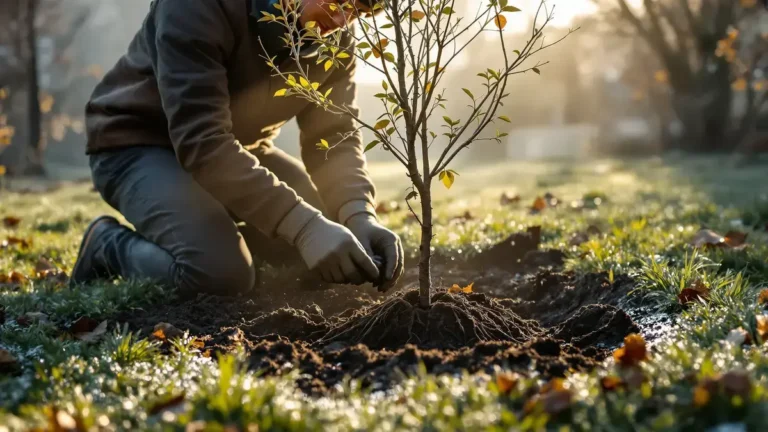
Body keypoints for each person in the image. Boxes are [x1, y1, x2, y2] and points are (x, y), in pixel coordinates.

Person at [71, 0, 404, 296]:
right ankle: (108, 246)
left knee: (335, 243)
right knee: (221, 274)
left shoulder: (334, 42)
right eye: (342, 2)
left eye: (360, 11)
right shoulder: (196, 7)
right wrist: (303, 227)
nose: (344, 19)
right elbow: (202, 142)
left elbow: (334, 137)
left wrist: (358, 214)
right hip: (137, 146)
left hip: (236, 151)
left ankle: (221, 232)